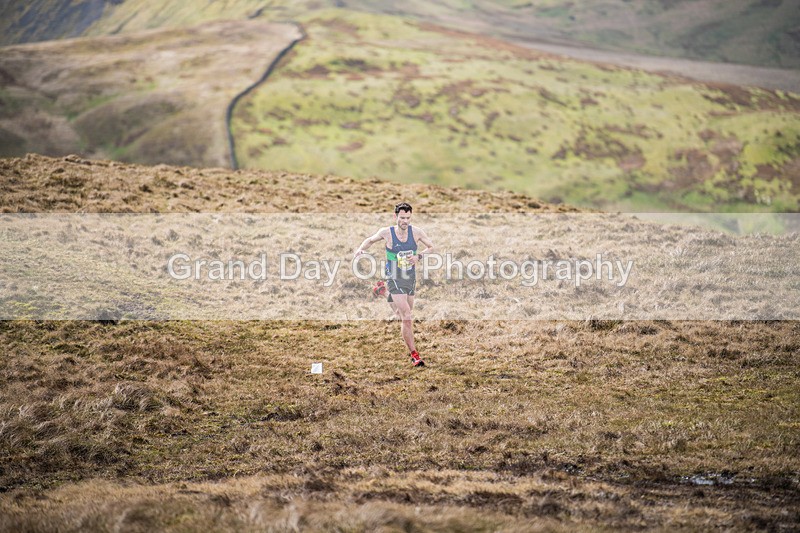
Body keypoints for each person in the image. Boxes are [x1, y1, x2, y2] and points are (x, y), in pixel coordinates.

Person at [354, 202, 435, 367]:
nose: (405, 221)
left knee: (402, 313)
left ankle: (383, 292)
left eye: (408, 218)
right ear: (395, 217)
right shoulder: (387, 233)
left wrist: (418, 257)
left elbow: (432, 247)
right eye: (402, 218)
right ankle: (415, 355)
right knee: (407, 316)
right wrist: (360, 250)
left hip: (409, 277)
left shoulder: (417, 232)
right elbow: (370, 240)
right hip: (393, 277)